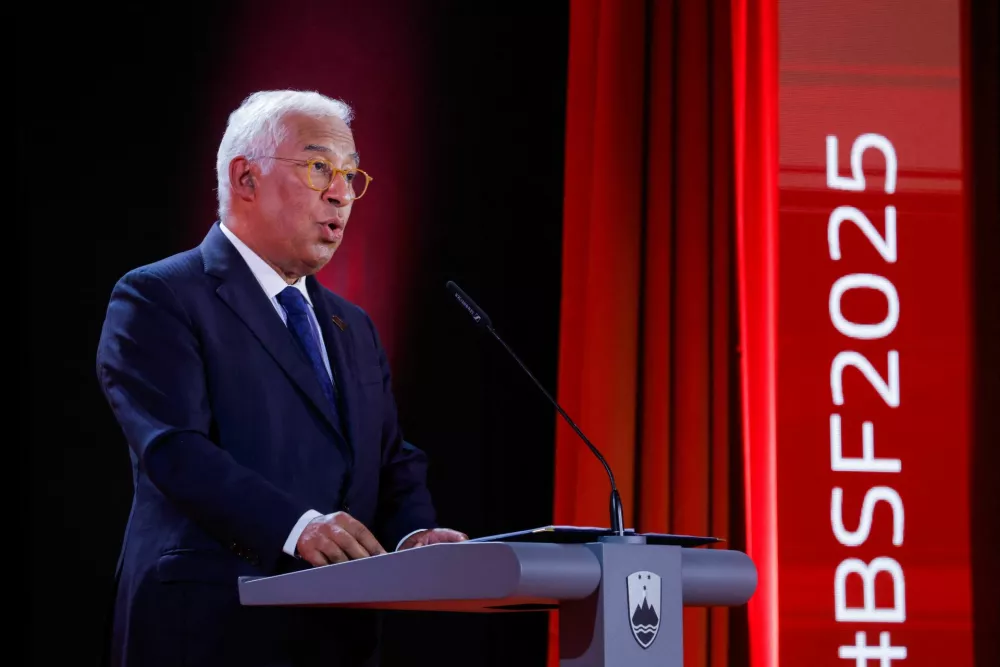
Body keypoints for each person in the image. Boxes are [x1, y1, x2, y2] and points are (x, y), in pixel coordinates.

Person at [96, 89, 467, 667]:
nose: (341, 193)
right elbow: (174, 450)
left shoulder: (352, 325)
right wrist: (297, 527)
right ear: (245, 178)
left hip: (336, 634)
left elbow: (390, 457)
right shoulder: (159, 297)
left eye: (350, 175)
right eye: (319, 168)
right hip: (212, 623)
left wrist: (414, 537)